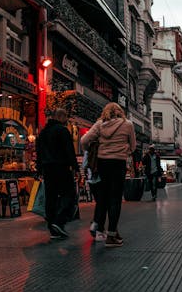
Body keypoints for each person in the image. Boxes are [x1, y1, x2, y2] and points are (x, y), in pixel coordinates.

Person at [81, 102, 136, 248]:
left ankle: (105, 230)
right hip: (118, 163)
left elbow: (84, 141)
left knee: (104, 196)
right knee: (116, 198)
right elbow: (133, 146)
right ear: (120, 112)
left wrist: (92, 148)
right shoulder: (128, 124)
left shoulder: (99, 124)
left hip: (102, 163)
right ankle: (111, 234)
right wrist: (125, 151)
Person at [35, 108, 78, 240]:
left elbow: (39, 152)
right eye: (66, 118)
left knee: (51, 197)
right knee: (70, 195)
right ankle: (59, 221)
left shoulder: (43, 133)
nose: (67, 121)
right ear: (61, 116)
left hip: (48, 169)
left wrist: (40, 168)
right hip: (61, 167)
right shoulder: (62, 130)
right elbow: (69, 150)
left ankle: (52, 228)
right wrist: (75, 167)